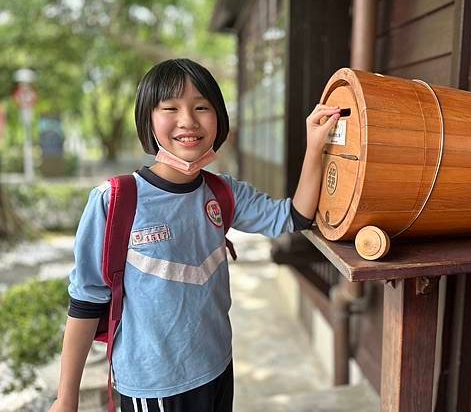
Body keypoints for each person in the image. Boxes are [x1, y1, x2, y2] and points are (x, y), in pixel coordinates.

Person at [49, 58, 340, 412]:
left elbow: (294, 217)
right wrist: (67, 399)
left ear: (218, 118)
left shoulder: (222, 192)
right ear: (148, 120)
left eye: (201, 107)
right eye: (170, 107)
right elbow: (85, 304)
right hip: (154, 386)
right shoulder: (114, 201)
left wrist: (315, 146)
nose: (188, 120)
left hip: (218, 368)